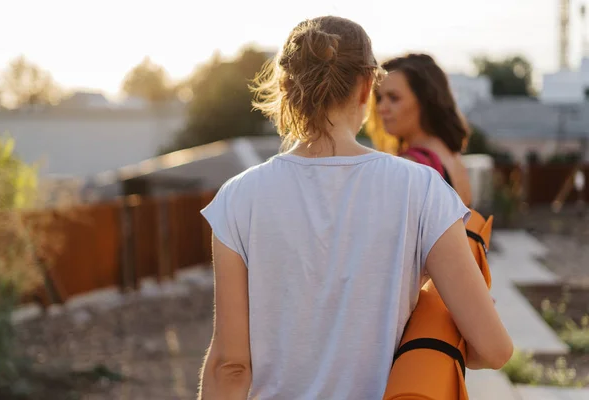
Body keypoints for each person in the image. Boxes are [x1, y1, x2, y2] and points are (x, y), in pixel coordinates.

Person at [198, 16, 512, 400]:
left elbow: (231, 366)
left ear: (285, 87)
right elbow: (494, 350)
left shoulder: (237, 198)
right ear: (367, 86)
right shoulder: (422, 189)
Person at [371, 53, 473, 206]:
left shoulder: (410, 166)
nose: (381, 108)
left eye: (393, 98)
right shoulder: (453, 157)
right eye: (379, 98)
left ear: (425, 102)